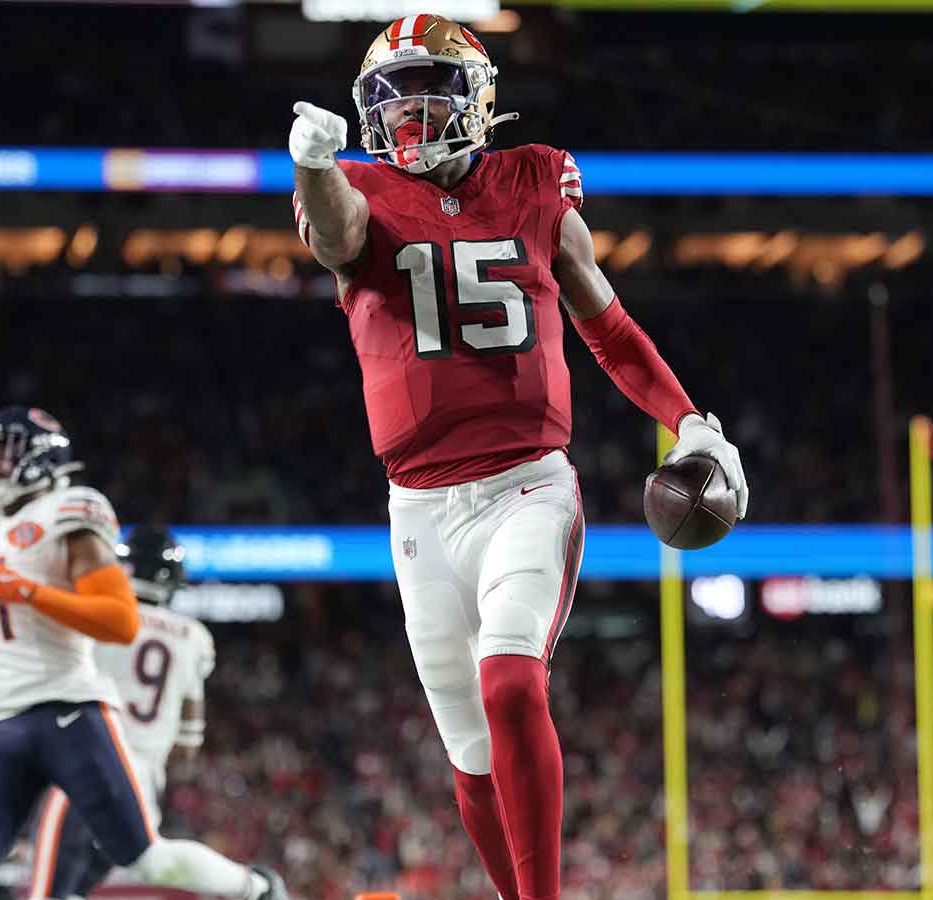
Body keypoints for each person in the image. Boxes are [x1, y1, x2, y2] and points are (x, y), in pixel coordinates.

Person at [287, 15, 749, 900]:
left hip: (526, 485)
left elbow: (606, 328)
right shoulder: (350, 189)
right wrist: (312, 162)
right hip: (418, 506)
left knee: (508, 682)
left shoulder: (536, 178)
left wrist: (689, 421)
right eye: (391, 100)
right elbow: (340, 238)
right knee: (467, 751)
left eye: (426, 94)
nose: (407, 118)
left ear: (476, 98)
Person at [0, 407, 284, 900]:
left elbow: (120, 620)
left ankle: (255, 889)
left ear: (42, 456)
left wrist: (26, 592)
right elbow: (2, 645)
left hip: (69, 709)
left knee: (147, 860)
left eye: (6, 453)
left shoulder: (71, 510)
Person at [25, 527, 216, 900]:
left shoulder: (96, 616)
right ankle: (253, 887)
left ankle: (250, 886)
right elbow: (188, 746)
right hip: (140, 787)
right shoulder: (194, 637)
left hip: (86, 766)